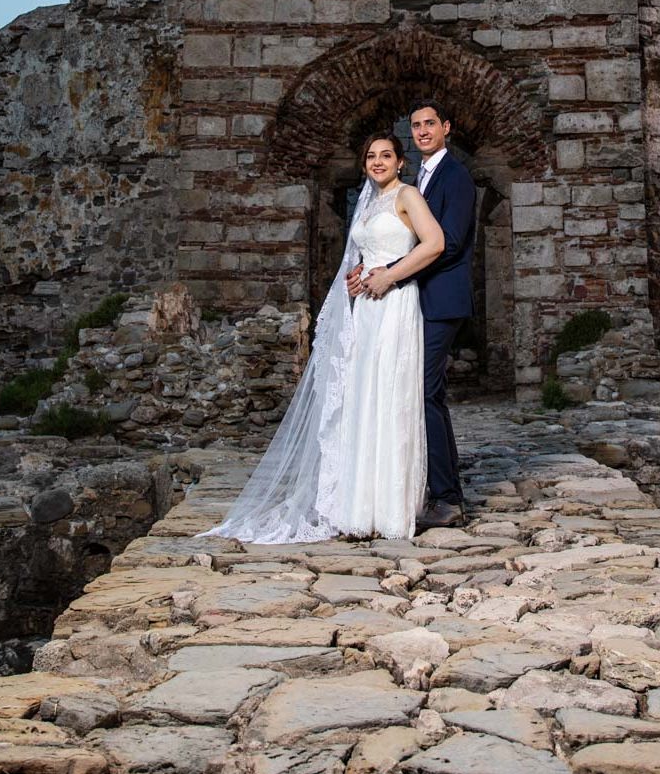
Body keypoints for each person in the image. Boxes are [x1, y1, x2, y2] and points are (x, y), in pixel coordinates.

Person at [197, 132, 443, 544]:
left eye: (386, 155)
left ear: (401, 162)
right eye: (371, 156)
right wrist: (359, 275)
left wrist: (390, 275)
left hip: (396, 304)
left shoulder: (409, 196)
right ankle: (359, 505)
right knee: (363, 398)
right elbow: (368, 253)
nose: (378, 162)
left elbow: (435, 243)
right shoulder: (367, 202)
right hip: (366, 308)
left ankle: (391, 509)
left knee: (390, 394)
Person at [348, 100, 477, 530]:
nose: (422, 130)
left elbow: (449, 242)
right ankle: (424, 487)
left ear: (446, 128)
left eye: (430, 124)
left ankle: (447, 498)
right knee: (415, 393)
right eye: (416, 125)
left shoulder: (456, 177)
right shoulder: (412, 180)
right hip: (403, 300)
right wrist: (367, 273)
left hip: (440, 300)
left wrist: (394, 274)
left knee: (422, 392)